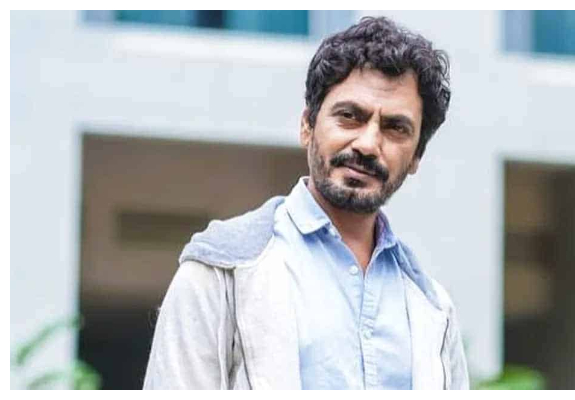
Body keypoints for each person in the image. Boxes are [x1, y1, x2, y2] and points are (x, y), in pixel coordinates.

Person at [143, 15, 469, 390]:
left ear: (416, 157)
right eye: (349, 116)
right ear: (307, 126)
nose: (367, 144)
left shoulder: (434, 310)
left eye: (395, 128)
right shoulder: (219, 273)